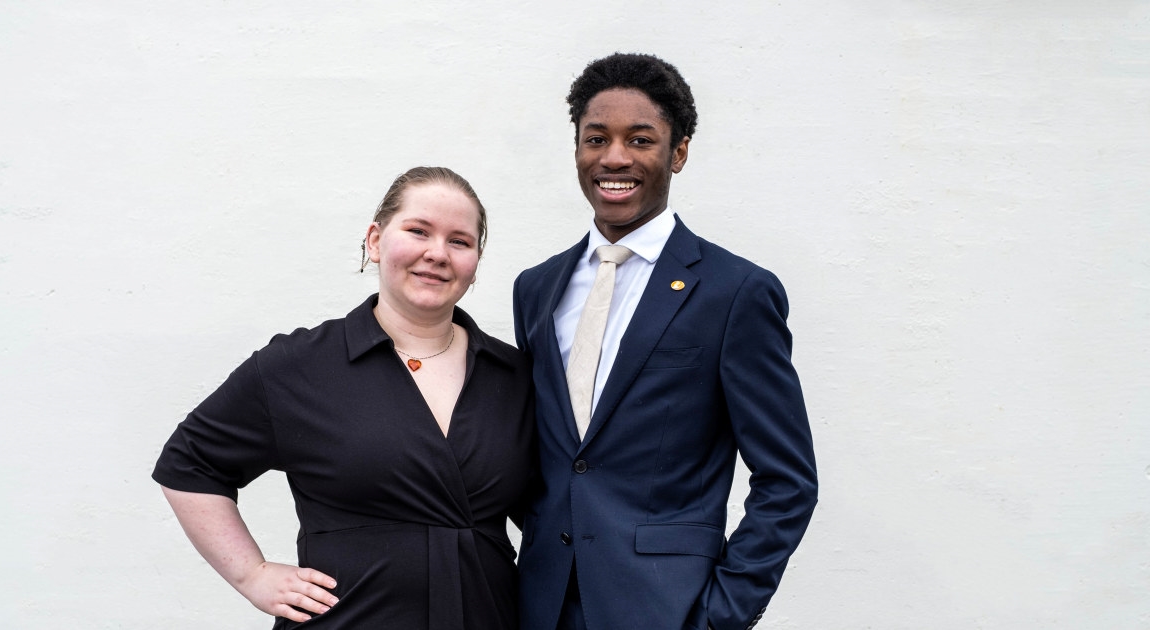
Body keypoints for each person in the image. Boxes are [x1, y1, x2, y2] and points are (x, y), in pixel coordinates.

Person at [153, 166, 535, 630]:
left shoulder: (515, 375)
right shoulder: (300, 365)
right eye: (418, 231)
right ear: (375, 241)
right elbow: (189, 463)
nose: (437, 253)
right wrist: (252, 574)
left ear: (475, 262)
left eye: (459, 241)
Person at [512, 53, 818, 630]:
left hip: (664, 609)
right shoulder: (537, 288)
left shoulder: (735, 292)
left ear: (678, 153)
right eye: (596, 139)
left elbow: (788, 482)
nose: (614, 158)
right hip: (541, 606)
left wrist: (719, 616)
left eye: (640, 139)